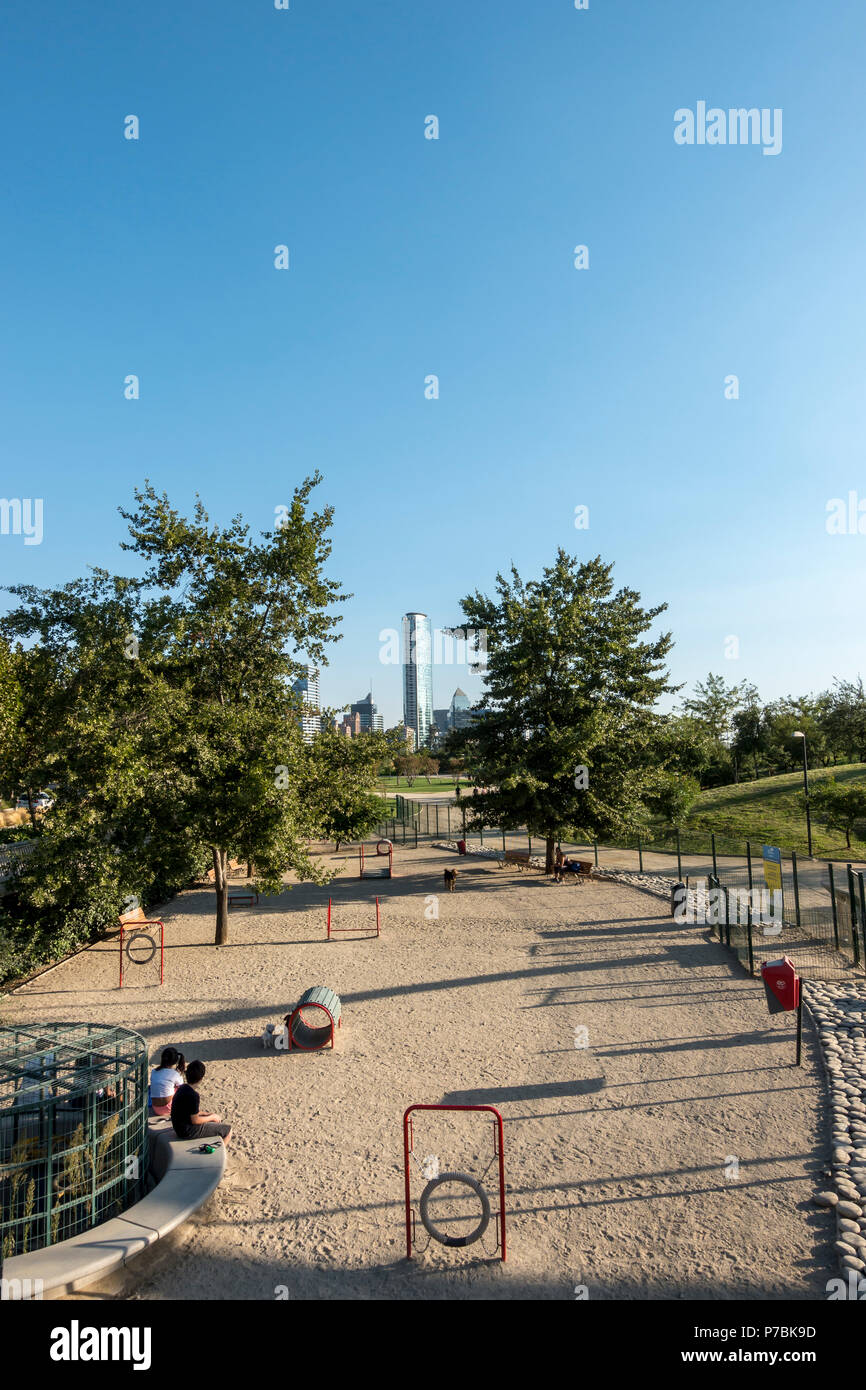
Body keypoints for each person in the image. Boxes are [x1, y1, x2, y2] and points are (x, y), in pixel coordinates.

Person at [170, 1060, 231, 1148]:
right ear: (201, 1078)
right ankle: (216, 1155)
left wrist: (207, 1114)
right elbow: (195, 1120)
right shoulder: (193, 1095)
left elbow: (189, 1112)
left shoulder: (182, 1088)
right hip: (187, 1132)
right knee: (228, 1130)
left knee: (212, 1120)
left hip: (179, 1128)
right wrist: (212, 1117)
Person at [150, 1047, 183, 1115]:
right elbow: (182, 1087)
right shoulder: (174, 1074)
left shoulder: (154, 1072)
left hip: (155, 1108)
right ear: (175, 1061)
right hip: (168, 1108)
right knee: (179, 1088)